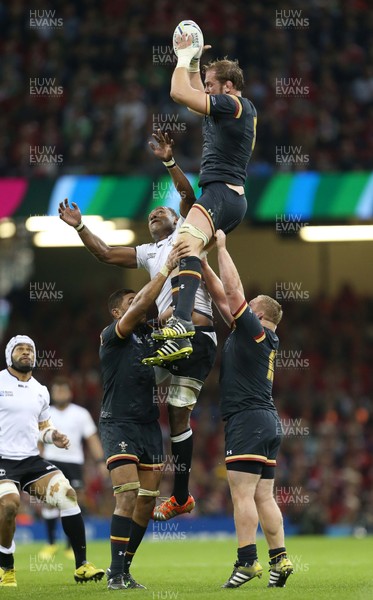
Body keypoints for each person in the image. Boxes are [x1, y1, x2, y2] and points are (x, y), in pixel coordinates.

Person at [59, 130, 217, 521]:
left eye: (160, 212)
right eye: (150, 215)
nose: (154, 215)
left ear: (177, 219)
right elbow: (106, 253)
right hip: (166, 340)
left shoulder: (189, 232)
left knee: (167, 399)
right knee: (168, 409)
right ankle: (176, 492)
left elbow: (187, 197)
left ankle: (147, 470)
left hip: (194, 335)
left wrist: (169, 161)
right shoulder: (148, 253)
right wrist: (80, 227)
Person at [152, 34, 258, 362]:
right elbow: (194, 94)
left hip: (221, 193)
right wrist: (197, 61)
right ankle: (185, 334)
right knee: (189, 252)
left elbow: (179, 92)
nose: (207, 89)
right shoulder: (229, 109)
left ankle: (182, 322)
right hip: (227, 197)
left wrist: (183, 57)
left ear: (228, 86)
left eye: (212, 84)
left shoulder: (234, 105)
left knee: (183, 241)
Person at [199, 231, 293, 589]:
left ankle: (247, 561)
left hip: (247, 420)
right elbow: (226, 300)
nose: (242, 306)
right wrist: (205, 264)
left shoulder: (255, 331)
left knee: (241, 494)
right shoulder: (257, 335)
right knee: (263, 495)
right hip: (267, 421)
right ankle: (280, 560)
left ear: (257, 313)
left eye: (249, 305)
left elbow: (234, 294)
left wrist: (222, 247)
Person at [98, 247, 178, 589]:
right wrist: (165, 267)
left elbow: (170, 311)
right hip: (119, 422)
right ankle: (115, 574)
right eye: (133, 300)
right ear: (118, 311)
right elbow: (147, 302)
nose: (142, 303)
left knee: (146, 504)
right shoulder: (112, 335)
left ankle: (124, 569)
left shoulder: (148, 336)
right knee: (127, 496)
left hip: (148, 426)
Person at [0, 336, 104, 588]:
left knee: (67, 494)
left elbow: (43, 427)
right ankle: (6, 567)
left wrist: (53, 436)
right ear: (9, 355)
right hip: (2, 459)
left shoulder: (40, 390)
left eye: (30, 350)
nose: (26, 353)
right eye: (20, 349)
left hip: (31, 459)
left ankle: (82, 566)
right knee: (9, 506)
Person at [39, 376, 108, 561]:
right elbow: (37, 439)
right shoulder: (46, 413)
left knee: (72, 500)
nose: (60, 393)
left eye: (64, 390)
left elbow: (92, 438)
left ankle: (70, 547)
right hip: (51, 460)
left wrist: (101, 461)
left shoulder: (81, 413)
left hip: (74, 463)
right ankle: (51, 544)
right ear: (52, 393)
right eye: (57, 390)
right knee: (49, 500)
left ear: (70, 392)